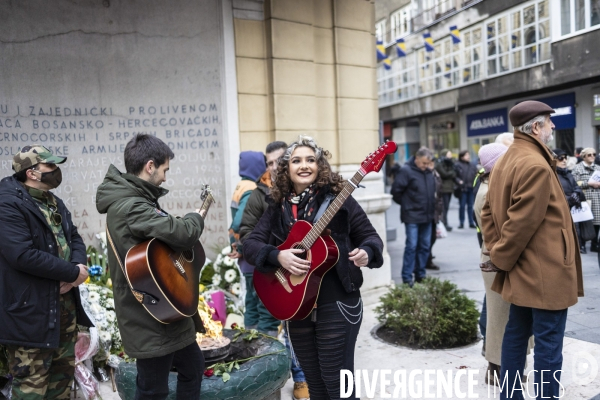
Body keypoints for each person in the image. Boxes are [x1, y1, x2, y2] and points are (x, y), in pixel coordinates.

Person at [243, 136, 384, 400]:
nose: (304, 165)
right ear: (287, 168)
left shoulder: (339, 200)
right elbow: (250, 244)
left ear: (320, 165)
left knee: (337, 384)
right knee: (315, 387)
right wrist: (277, 256)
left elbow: (371, 237)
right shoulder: (278, 206)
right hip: (296, 305)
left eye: (311, 160)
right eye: (297, 160)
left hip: (338, 301)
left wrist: (367, 252)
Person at [480, 100, 584, 399]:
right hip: (545, 271)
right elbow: (521, 222)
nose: (553, 126)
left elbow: (489, 213)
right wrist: (501, 256)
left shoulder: (510, 157)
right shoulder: (534, 162)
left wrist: (499, 252)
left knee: (515, 335)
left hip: (524, 269)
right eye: (550, 122)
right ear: (536, 127)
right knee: (548, 344)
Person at [96, 134, 206, 399]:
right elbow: (181, 233)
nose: (165, 178)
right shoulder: (130, 206)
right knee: (152, 389)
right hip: (149, 315)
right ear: (149, 166)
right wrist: (195, 217)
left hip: (165, 309)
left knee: (193, 367)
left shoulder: (136, 199)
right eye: (164, 169)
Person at [0, 145, 92, 399]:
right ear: (32, 173)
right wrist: (71, 273)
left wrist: (78, 269)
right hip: (30, 314)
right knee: (32, 385)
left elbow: (73, 237)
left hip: (62, 310)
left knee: (60, 382)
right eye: (49, 166)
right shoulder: (7, 203)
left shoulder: (53, 201)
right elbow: (22, 254)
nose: (56, 171)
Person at [238, 141, 310, 400]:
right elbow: (246, 233)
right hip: (269, 271)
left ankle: (301, 378)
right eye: (268, 163)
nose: (272, 167)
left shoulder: (304, 193)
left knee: (295, 326)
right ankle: (270, 379)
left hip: (299, 272)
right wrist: (274, 254)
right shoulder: (259, 195)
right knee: (268, 326)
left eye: (277, 162)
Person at [473, 143, 508, 384]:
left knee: (501, 314)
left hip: (494, 255)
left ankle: (500, 366)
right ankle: (495, 370)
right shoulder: (488, 192)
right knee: (498, 316)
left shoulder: (492, 187)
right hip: (494, 258)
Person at [391, 147, 436, 285]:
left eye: (428, 164)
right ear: (416, 159)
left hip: (427, 216)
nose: (425, 166)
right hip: (412, 216)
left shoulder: (428, 172)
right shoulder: (406, 171)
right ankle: (407, 277)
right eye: (423, 163)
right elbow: (396, 192)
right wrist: (407, 205)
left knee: (424, 246)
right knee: (411, 246)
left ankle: (420, 275)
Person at [554, 148, 586, 253]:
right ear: (554, 159)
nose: (564, 160)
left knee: (576, 234)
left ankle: (579, 247)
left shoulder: (568, 173)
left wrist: (576, 194)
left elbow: (576, 187)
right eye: (560, 158)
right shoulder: (552, 175)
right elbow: (554, 195)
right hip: (561, 213)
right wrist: (569, 198)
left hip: (574, 211)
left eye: (565, 158)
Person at [572, 147, 600, 253]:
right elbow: (575, 183)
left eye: (594, 154)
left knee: (597, 222)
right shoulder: (577, 168)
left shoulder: (598, 168)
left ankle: (594, 244)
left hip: (597, 198)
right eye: (589, 155)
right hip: (585, 198)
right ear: (584, 156)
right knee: (584, 222)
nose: (592, 156)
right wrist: (588, 183)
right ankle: (582, 244)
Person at [425, 159, 444, 270]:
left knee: (432, 238)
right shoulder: (423, 175)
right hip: (423, 213)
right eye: (428, 163)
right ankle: (424, 261)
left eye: (432, 163)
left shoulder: (436, 175)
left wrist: (440, 212)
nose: (430, 166)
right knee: (422, 240)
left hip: (434, 212)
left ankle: (428, 258)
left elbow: (439, 195)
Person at [454, 150, 478, 229]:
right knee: (462, 206)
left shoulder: (472, 165)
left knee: (470, 206)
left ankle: (471, 222)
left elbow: (476, 174)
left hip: (471, 188)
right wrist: (459, 181)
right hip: (462, 189)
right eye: (466, 155)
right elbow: (454, 176)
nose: (468, 156)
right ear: (462, 157)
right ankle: (461, 222)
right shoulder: (457, 165)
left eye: (468, 155)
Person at [434, 149, 456, 231]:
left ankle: (445, 222)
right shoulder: (439, 164)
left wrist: (452, 171)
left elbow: (453, 173)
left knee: (446, 207)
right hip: (443, 189)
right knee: (444, 207)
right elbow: (445, 174)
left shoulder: (449, 163)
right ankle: (444, 223)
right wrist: (452, 172)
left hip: (449, 188)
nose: (450, 156)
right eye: (449, 154)